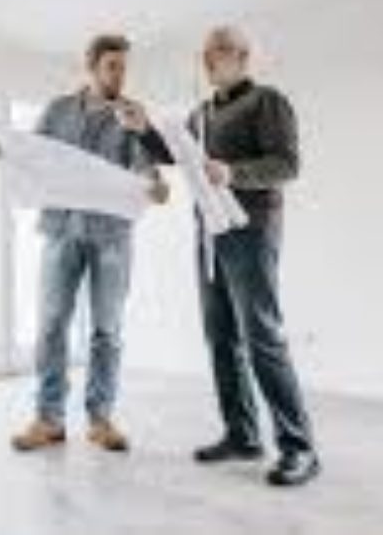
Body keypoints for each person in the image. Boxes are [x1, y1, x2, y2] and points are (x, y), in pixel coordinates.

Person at [117, 25, 321, 486]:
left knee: (261, 336)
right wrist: (143, 129)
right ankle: (242, 434)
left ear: (243, 56)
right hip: (209, 234)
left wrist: (232, 172)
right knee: (221, 335)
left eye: (221, 52)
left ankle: (299, 447)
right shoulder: (202, 113)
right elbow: (175, 153)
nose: (210, 60)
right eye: (206, 54)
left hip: (251, 230)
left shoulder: (267, 101)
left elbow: (287, 164)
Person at [11, 33, 168, 453]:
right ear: (92, 67)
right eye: (113, 66)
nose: (121, 74)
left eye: (124, 66)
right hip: (61, 230)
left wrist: (155, 185)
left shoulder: (133, 116)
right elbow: (32, 156)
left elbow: (150, 174)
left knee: (106, 330)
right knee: (51, 325)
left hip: (112, 237)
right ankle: (48, 419)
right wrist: (5, 153)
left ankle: (100, 420)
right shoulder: (57, 110)